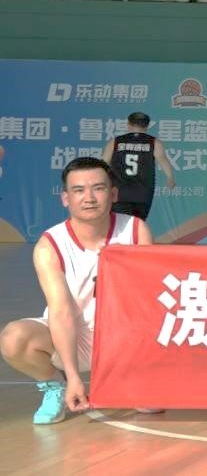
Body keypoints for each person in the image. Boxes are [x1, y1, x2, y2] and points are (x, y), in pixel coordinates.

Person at [0, 158, 153, 424]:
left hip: (123, 337)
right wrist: (73, 377)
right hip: (74, 337)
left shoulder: (135, 230)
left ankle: (130, 374)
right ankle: (54, 387)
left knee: (150, 406)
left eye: (98, 188)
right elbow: (60, 313)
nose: (89, 198)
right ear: (65, 198)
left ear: (113, 194)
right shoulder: (50, 244)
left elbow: (148, 298)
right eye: (79, 190)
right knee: (14, 338)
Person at [102, 112, 176, 221]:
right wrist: (170, 177)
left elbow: (103, 164)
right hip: (143, 193)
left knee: (118, 224)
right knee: (137, 225)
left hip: (119, 192)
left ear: (128, 124)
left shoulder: (116, 142)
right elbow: (163, 160)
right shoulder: (153, 142)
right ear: (147, 126)